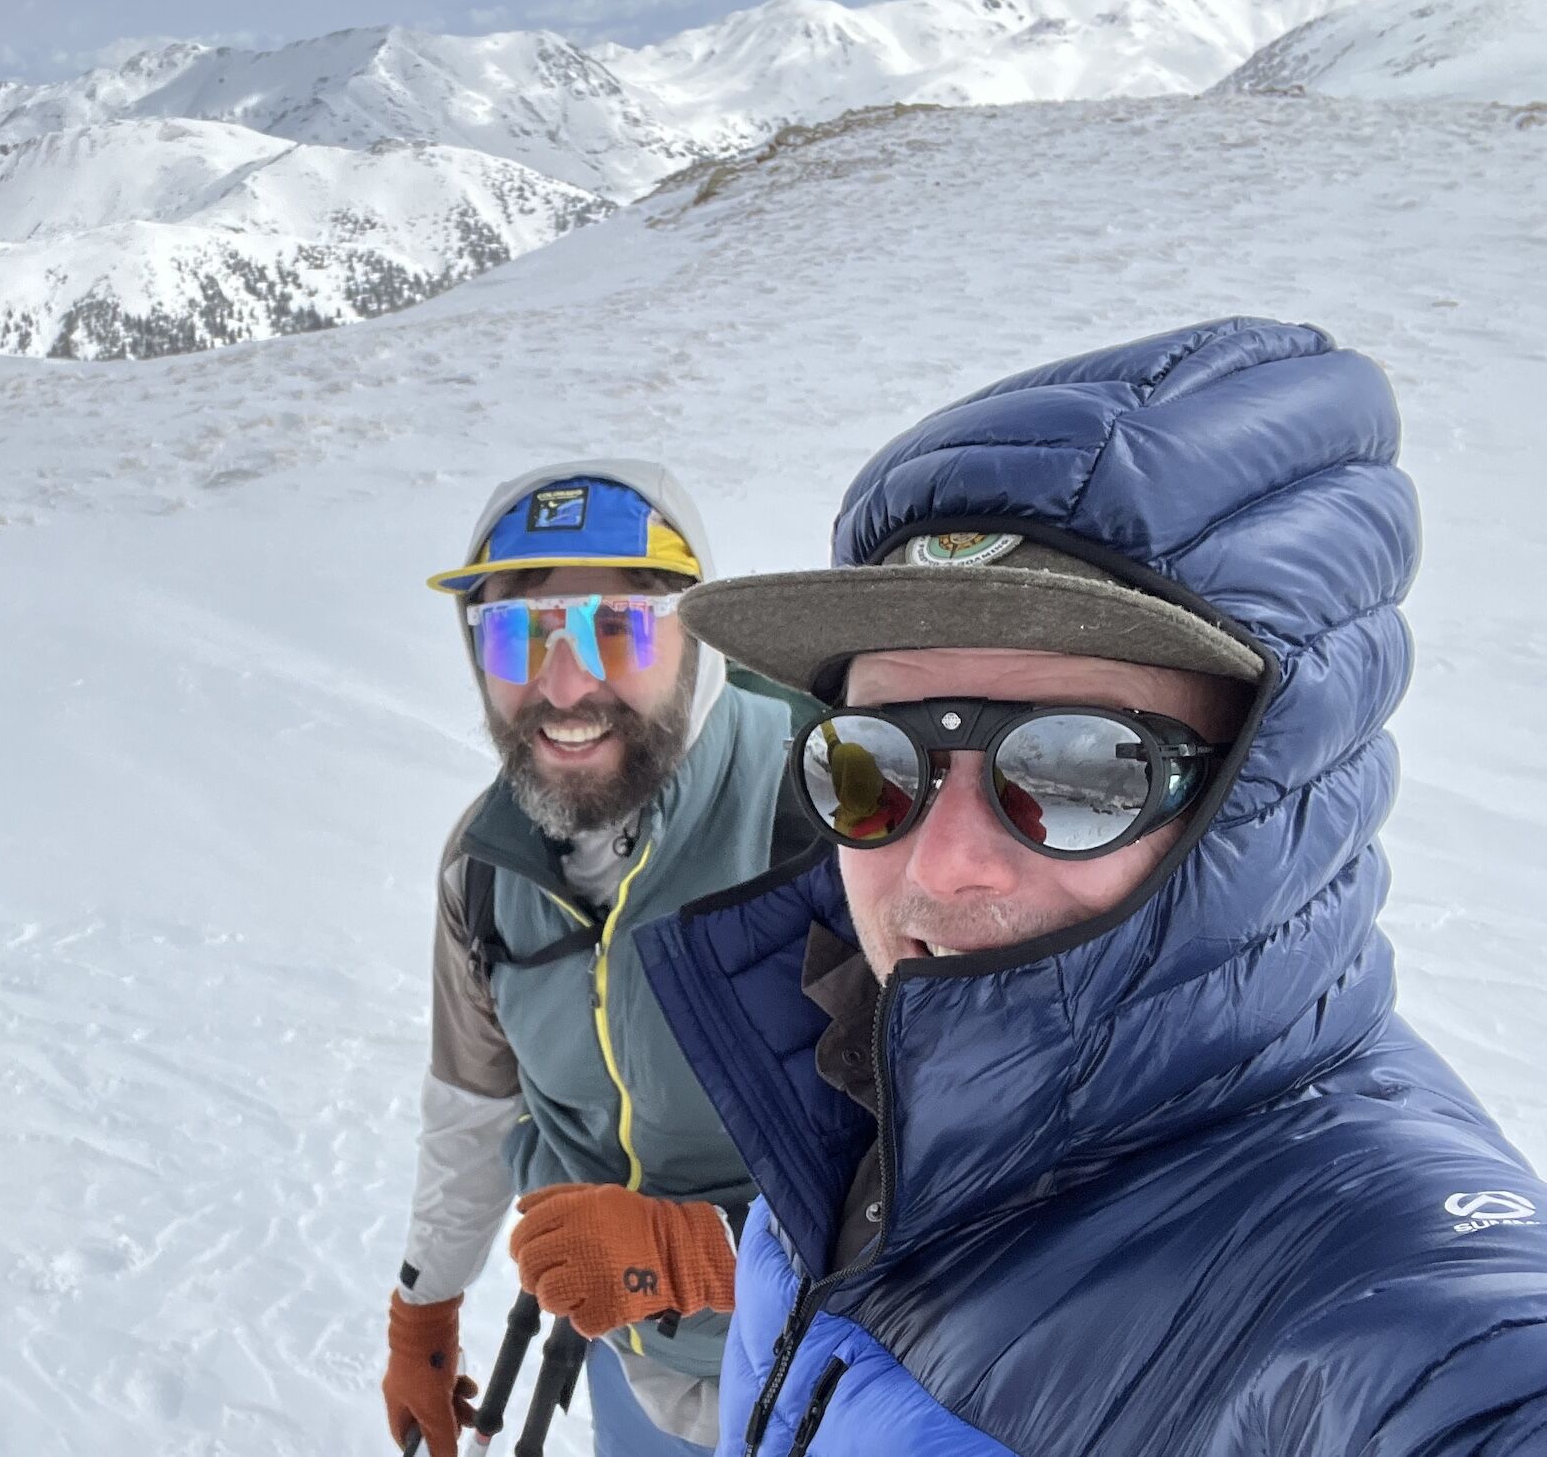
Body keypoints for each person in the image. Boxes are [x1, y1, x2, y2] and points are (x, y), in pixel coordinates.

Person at [638, 319, 1547, 1456]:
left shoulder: (1383, 1293)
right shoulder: (871, 1065)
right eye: (873, 766)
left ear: (1257, 790)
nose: (939, 862)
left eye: (1075, 771)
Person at [381, 461, 804, 1457]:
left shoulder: (831, 807)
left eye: (619, 628)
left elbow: (1001, 1171)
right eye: (517, 633)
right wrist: (423, 1314)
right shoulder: (486, 867)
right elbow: (474, 1109)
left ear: (696, 633)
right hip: (636, 1371)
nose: (564, 684)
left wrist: (715, 1257)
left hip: (851, 1378)